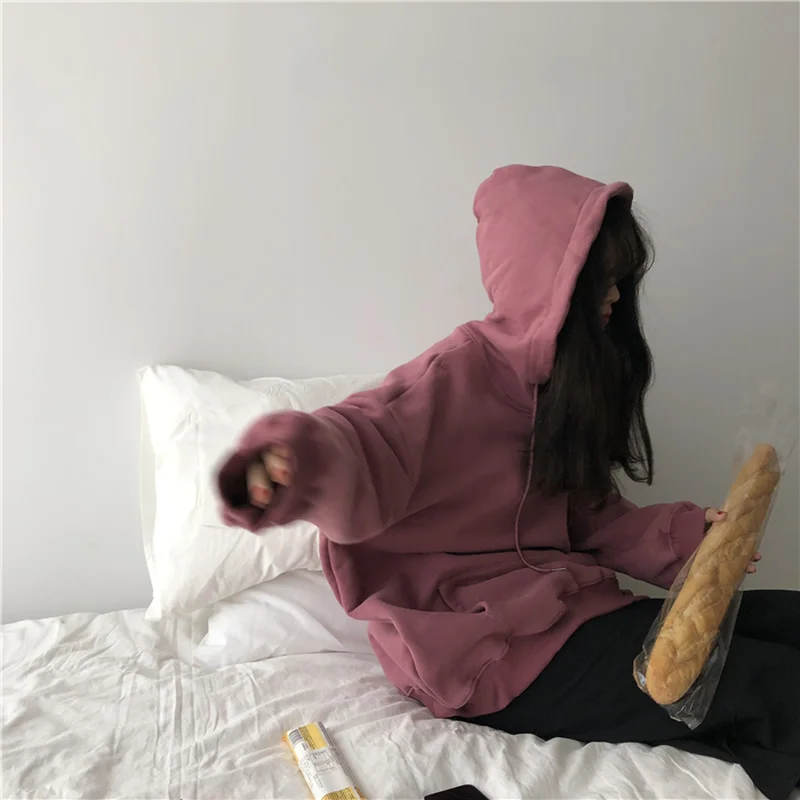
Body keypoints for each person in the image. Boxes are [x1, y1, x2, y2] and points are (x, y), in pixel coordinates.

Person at [217, 165, 800, 800]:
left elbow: (590, 519)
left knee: (787, 621)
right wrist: (293, 460)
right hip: (485, 658)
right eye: (601, 278)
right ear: (548, 282)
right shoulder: (451, 377)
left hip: (570, 613)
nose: (615, 294)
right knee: (773, 686)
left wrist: (689, 536)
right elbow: (360, 443)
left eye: (620, 277)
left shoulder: (565, 386)